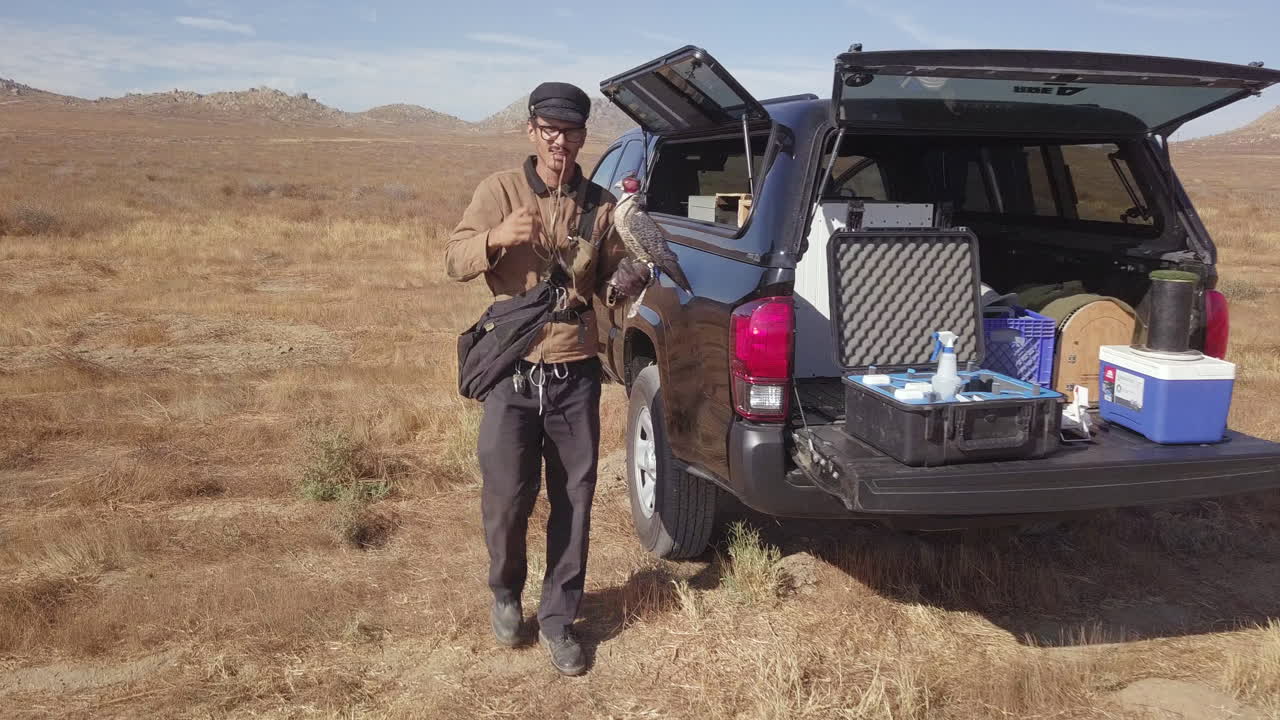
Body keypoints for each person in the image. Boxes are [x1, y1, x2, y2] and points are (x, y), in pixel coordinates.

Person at [444, 82, 649, 676]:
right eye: (551, 130)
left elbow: (614, 278)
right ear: (532, 131)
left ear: (585, 136)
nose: (561, 142)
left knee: (574, 501)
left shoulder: (601, 204)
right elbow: (452, 260)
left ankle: (560, 619)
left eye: (573, 132)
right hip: (513, 373)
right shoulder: (498, 191)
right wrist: (495, 239)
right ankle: (506, 592)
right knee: (507, 498)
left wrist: (629, 278)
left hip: (574, 374)